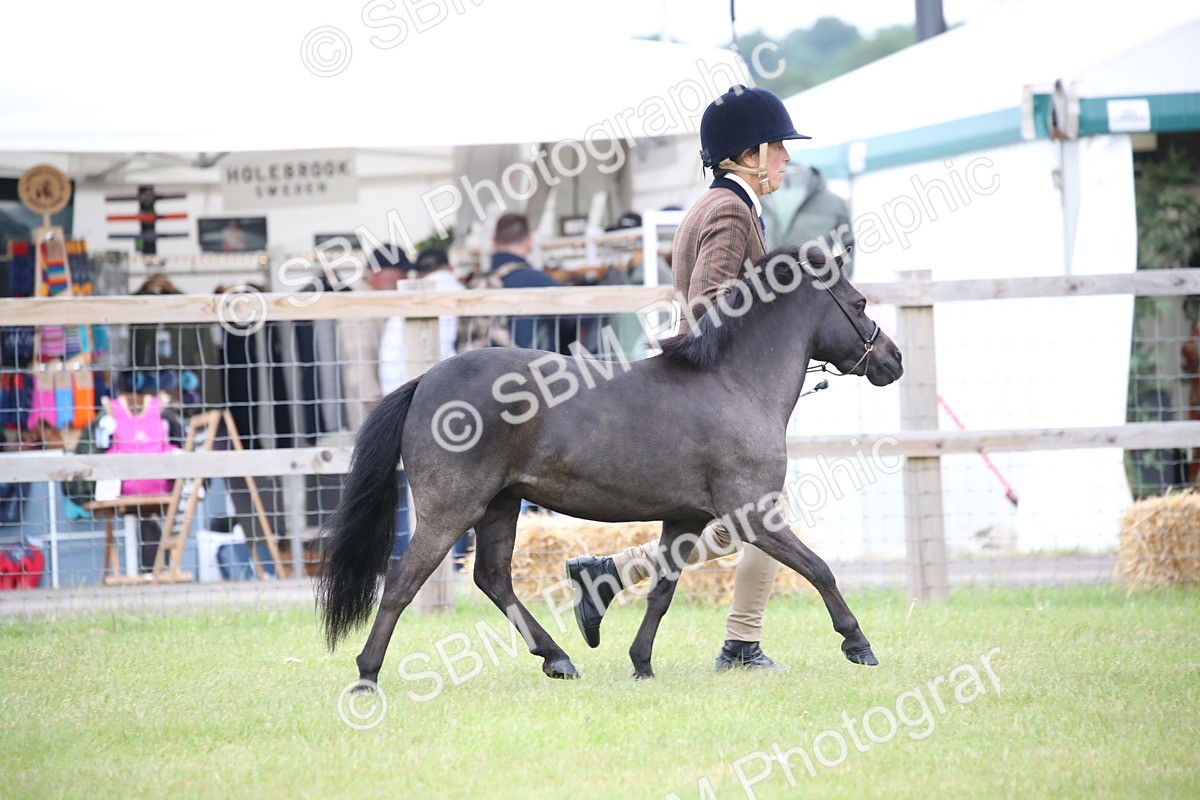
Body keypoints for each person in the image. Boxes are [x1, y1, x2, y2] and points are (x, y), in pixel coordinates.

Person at [566, 84, 811, 671]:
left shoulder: (721, 203)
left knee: (739, 528)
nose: (786, 158)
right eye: (778, 147)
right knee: (764, 522)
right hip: (716, 398)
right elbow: (708, 304)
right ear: (748, 154)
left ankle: (613, 574)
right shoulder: (729, 210)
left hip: (716, 394)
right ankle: (740, 643)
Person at [337, 246, 409, 432]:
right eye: (402, 272)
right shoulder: (360, 308)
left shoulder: (373, 303)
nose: (405, 278)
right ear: (379, 272)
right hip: (375, 421)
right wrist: (383, 421)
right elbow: (362, 374)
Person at [762, 163, 855, 277]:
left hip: (815, 283)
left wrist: (840, 280)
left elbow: (848, 243)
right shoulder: (759, 199)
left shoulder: (833, 203)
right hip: (767, 283)